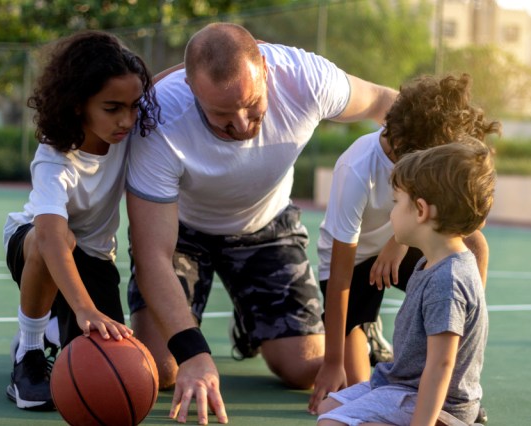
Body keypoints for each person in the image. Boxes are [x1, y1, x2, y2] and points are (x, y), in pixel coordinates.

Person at [125, 22, 399, 424]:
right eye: (221, 113)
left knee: (305, 369)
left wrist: (430, 178)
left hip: (265, 227)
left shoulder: (305, 78)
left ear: (266, 71)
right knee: (160, 368)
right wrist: (196, 356)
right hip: (182, 233)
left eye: (252, 106)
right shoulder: (160, 118)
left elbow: (385, 103)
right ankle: (247, 317)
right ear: (191, 88)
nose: (240, 125)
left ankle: (320, 323)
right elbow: (152, 256)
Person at [308, 74, 501, 414]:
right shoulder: (357, 168)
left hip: (403, 239)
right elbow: (339, 279)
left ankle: (459, 388)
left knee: (474, 245)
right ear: (403, 144)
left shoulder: (425, 165)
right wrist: (332, 360)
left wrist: (396, 243)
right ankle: (368, 334)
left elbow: (469, 214)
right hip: (352, 265)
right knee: (357, 387)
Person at [2, 30, 160, 410]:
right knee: (56, 241)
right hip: (34, 246)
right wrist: (86, 309)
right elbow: (52, 238)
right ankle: (29, 353)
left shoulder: (131, 131)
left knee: (113, 365)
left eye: (134, 105)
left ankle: (55, 321)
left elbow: (183, 77)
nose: (126, 119)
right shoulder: (56, 158)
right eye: (112, 108)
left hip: (95, 258)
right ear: (77, 105)